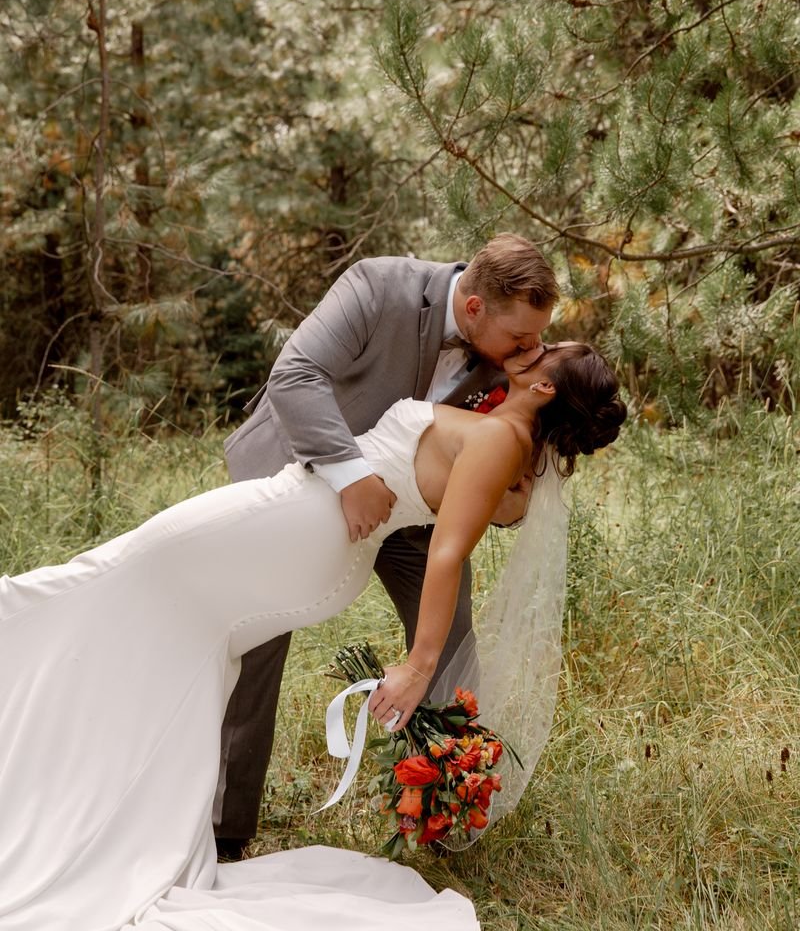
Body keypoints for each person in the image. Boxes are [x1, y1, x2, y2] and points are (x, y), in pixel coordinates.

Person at [0, 343, 625, 931]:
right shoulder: (504, 437)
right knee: (167, 632)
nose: (533, 346)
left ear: (543, 385)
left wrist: (417, 665)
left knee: (122, 571)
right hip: (308, 525)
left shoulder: (497, 440)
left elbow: (447, 554)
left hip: (305, 529)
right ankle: (122, 819)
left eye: (548, 350)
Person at [218, 233, 560, 857]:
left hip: (408, 515)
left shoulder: (513, 368)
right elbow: (294, 375)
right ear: (476, 306)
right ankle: (225, 826)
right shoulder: (378, 286)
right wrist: (351, 475)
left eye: (539, 337)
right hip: (299, 481)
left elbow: (500, 497)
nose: (533, 350)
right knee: (258, 639)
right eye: (521, 338)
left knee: (451, 635)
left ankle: (442, 809)